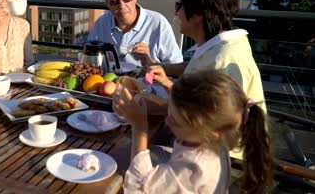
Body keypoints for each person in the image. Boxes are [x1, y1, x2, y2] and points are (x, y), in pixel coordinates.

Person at [114, 70, 274, 193]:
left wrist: (140, 128)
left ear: (206, 131)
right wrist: (168, 85)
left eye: (175, 120)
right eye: (170, 111)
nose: (167, 121)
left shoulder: (194, 171)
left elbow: (137, 188)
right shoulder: (217, 137)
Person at [144, 0, 266, 116]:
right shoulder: (220, 46)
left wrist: (153, 108)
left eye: (179, 6)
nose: (176, 13)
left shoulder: (223, 60)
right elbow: (198, 96)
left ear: (197, 14)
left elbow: (207, 120)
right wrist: (165, 79)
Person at [87, 0, 182, 67]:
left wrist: (150, 60)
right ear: (107, 3)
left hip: (145, 81)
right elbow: (89, 59)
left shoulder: (157, 23)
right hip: (108, 80)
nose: (121, 6)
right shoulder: (102, 23)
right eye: (114, 2)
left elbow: (176, 66)